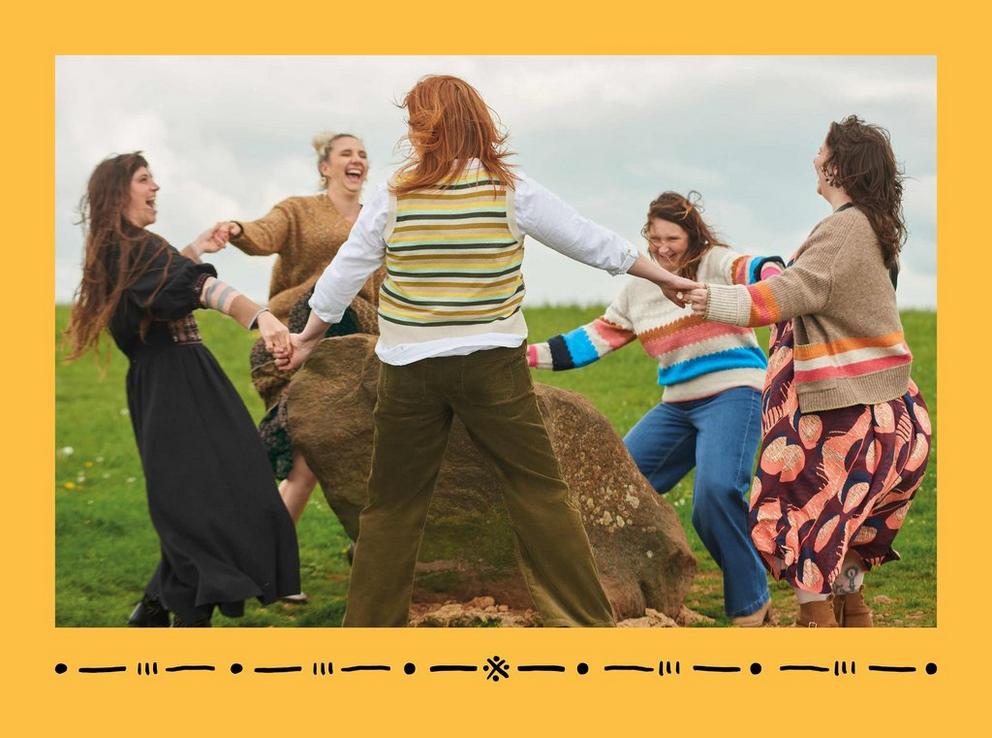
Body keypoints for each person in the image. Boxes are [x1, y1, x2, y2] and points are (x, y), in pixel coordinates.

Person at [277, 75, 699, 627]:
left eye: (413, 121)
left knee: (393, 507)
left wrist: (309, 335)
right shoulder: (508, 187)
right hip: (491, 364)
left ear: (426, 128)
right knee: (538, 492)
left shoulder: (394, 192)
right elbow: (586, 238)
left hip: (409, 368)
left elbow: (347, 268)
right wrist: (661, 277)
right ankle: (584, 628)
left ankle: (368, 636)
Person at [688, 116, 931, 627]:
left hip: (835, 411)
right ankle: (847, 619)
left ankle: (814, 637)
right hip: (884, 402)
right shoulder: (872, 226)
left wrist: (705, 299)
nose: (814, 159)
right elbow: (811, 284)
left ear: (839, 165)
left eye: (821, 151)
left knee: (802, 520)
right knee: (838, 534)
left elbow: (787, 295)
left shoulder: (843, 229)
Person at [64, 152, 300, 627]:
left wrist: (193, 248)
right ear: (118, 192)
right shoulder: (133, 247)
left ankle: (155, 609)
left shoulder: (126, 248)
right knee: (211, 506)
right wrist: (261, 315)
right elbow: (192, 289)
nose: (156, 187)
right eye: (144, 179)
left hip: (178, 383)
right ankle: (178, 624)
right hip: (178, 388)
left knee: (216, 500)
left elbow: (164, 282)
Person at [528, 191, 783, 626]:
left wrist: (780, 277)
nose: (662, 247)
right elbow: (594, 339)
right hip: (677, 407)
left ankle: (751, 604)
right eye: (655, 238)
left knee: (715, 494)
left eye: (673, 238)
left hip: (733, 393)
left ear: (692, 236)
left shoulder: (715, 264)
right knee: (617, 484)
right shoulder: (638, 290)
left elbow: (757, 269)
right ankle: (614, 587)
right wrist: (524, 356)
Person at [219, 132, 385, 527]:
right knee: (305, 464)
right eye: (346, 153)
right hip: (291, 339)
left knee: (364, 453)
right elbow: (264, 231)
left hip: (359, 341)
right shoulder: (298, 211)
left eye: (362, 154)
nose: (356, 159)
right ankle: (266, 562)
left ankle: (369, 547)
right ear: (325, 168)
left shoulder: (380, 218)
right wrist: (237, 230)